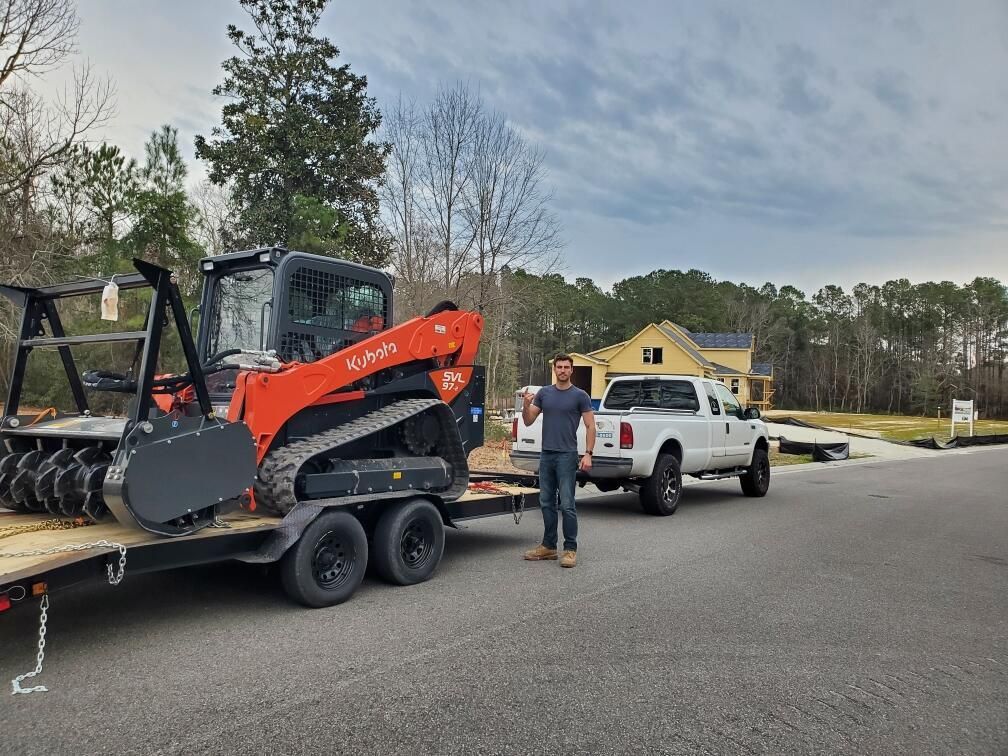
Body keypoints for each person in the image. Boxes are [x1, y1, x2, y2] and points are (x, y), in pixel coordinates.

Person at [521, 353, 596, 568]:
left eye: (566, 367)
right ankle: (549, 547)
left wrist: (588, 453)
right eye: (559, 367)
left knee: (567, 504)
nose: (562, 370)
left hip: (567, 455)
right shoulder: (544, 393)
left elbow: (590, 425)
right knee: (546, 502)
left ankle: (570, 549)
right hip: (547, 455)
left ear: (572, 370)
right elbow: (528, 421)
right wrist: (526, 405)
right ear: (554, 369)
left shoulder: (580, 395)